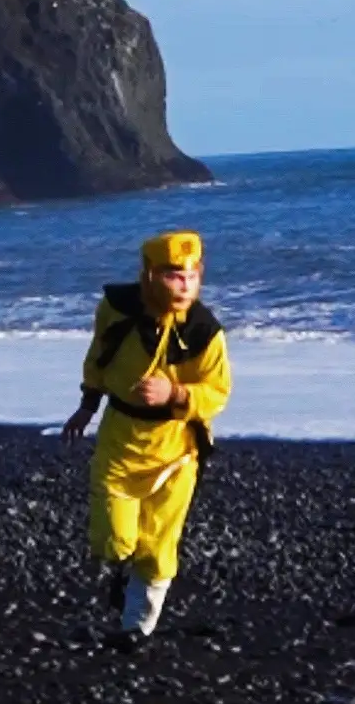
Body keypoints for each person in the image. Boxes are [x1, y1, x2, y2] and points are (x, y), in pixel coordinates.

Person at [62, 228, 231, 640]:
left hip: (177, 449)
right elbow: (98, 355)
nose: (185, 283)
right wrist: (88, 405)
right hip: (121, 438)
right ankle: (120, 571)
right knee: (114, 541)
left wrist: (175, 392)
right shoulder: (116, 309)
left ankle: (136, 629)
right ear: (151, 275)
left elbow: (217, 393)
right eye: (174, 274)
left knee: (159, 548)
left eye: (192, 274)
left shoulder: (204, 331)